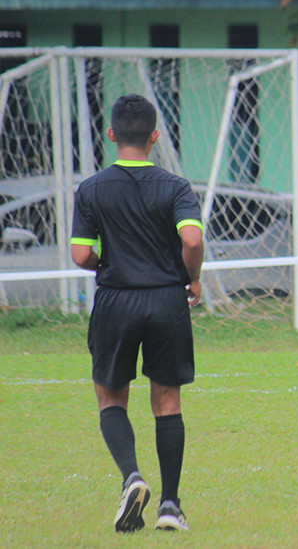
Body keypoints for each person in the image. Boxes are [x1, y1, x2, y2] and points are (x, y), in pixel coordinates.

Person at [70, 94, 204, 532]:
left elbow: (80, 255)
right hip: (166, 300)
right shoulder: (176, 187)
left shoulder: (91, 189)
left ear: (111, 134)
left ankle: (132, 477)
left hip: (116, 300)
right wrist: (192, 277)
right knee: (167, 401)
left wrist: (107, 264)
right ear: (155, 136)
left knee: (111, 398)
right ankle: (170, 507)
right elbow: (192, 240)